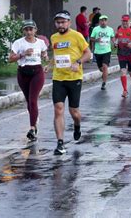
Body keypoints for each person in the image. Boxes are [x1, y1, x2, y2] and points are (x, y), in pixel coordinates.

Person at [50, 11, 91, 155]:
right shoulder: (53, 37)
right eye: (58, 22)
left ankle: (77, 125)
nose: (60, 25)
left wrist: (78, 62)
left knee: (74, 111)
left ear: (69, 22)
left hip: (74, 78)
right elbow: (56, 55)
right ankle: (60, 143)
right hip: (58, 78)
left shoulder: (77, 36)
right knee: (58, 108)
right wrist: (49, 64)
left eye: (63, 22)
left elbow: (88, 53)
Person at [9, 20, 48, 142]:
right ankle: (34, 122)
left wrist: (45, 59)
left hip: (37, 72)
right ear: (23, 31)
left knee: (32, 100)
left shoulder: (41, 42)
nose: (29, 32)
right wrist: (23, 54)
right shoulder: (18, 43)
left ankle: (32, 128)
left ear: (35, 30)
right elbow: (10, 59)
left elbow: (45, 54)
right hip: (23, 73)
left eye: (31, 29)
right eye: (26, 29)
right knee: (28, 101)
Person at [90, 15, 115, 90]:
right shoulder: (96, 29)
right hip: (98, 51)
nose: (103, 22)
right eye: (102, 21)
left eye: (105, 20)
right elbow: (91, 38)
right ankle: (104, 74)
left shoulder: (110, 29)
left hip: (107, 51)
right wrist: (96, 40)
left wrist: (114, 42)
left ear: (106, 21)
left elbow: (112, 37)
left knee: (105, 67)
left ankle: (104, 83)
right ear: (99, 22)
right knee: (101, 69)